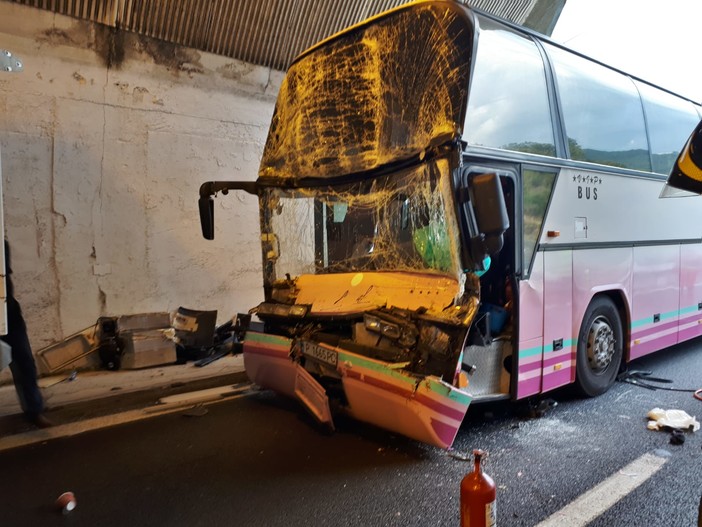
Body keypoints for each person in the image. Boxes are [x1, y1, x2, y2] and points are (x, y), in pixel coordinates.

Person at [1, 240, 52, 428]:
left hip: (9, 314)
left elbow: (3, 278)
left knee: (25, 364)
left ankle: (34, 410)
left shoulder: (1, 243)